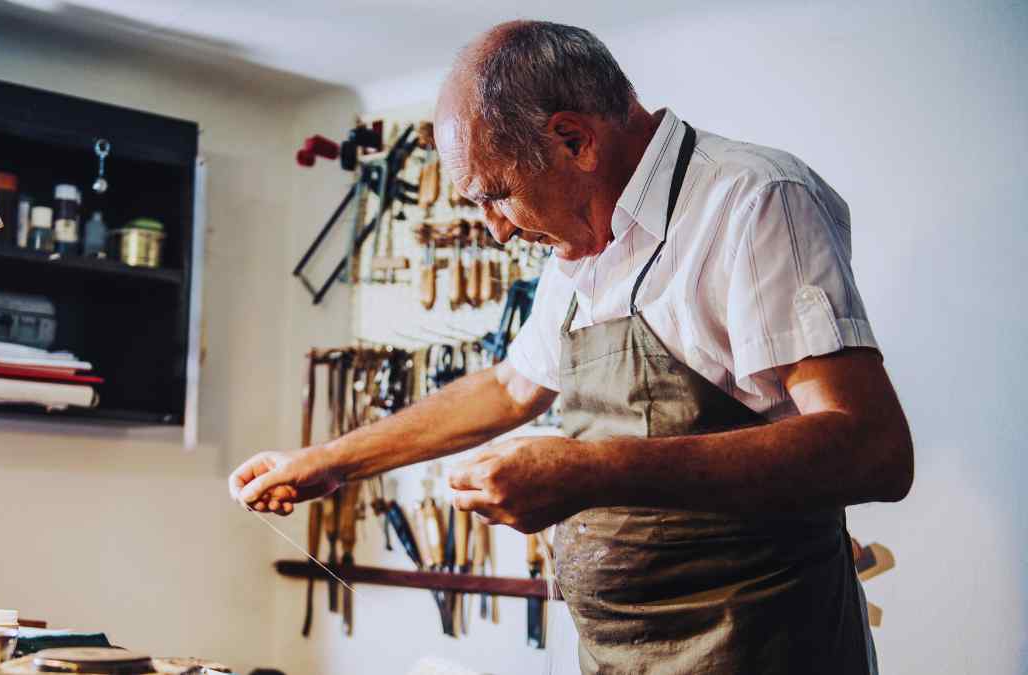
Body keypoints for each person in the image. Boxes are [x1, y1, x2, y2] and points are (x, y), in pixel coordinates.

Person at [231, 20, 912, 674]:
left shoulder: (753, 201)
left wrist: (590, 471)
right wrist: (327, 461)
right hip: (620, 653)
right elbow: (511, 387)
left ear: (574, 140)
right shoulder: (581, 245)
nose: (495, 231)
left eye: (497, 195)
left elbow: (871, 447)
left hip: (761, 648)